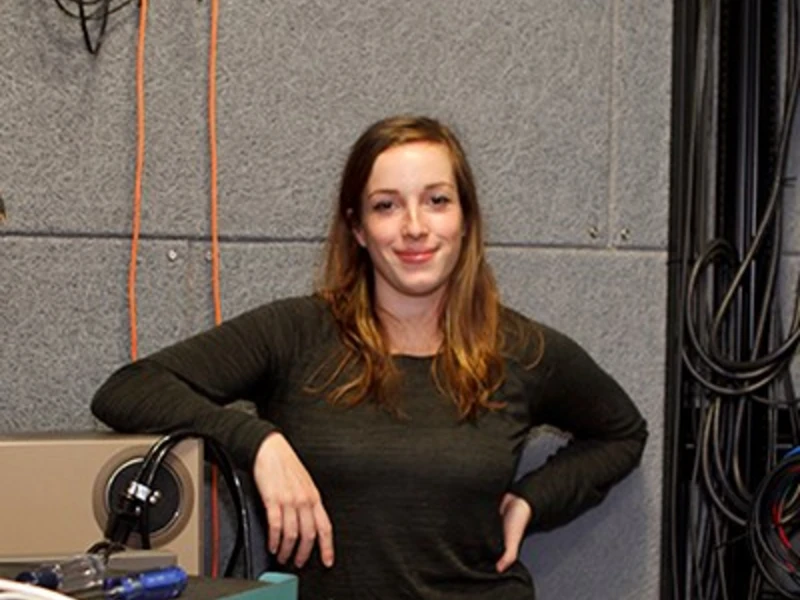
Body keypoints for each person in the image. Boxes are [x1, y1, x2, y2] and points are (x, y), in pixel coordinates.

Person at [91, 115, 648, 599]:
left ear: (465, 219)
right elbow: (129, 388)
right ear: (357, 227)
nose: (414, 227)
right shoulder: (296, 334)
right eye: (387, 206)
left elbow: (621, 432)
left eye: (437, 201)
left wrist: (532, 501)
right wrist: (258, 443)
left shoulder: (520, 350)